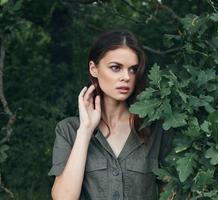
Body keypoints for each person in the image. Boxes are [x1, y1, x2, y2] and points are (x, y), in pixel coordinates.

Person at [48, 29, 173, 200]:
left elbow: (171, 193)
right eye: (116, 67)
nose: (126, 77)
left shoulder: (156, 128)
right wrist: (85, 131)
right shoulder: (69, 129)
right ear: (94, 69)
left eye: (133, 69)